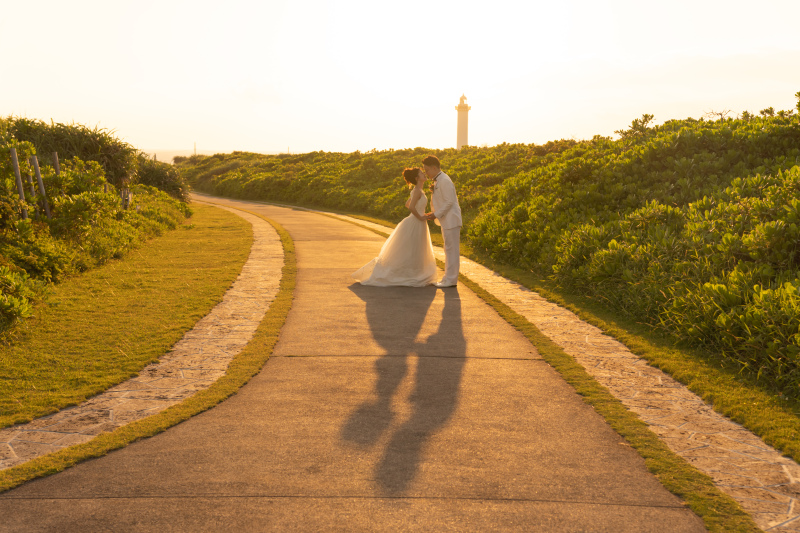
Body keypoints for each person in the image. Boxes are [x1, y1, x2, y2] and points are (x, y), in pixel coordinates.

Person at [351, 168, 437, 287]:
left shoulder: (418, 190)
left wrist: (422, 214)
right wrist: (420, 216)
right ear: (417, 178)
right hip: (416, 222)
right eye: (422, 173)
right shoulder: (417, 190)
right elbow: (411, 207)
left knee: (415, 249)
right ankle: (412, 274)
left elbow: (408, 204)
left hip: (416, 221)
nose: (424, 174)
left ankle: (413, 273)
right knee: (413, 249)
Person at [423, 155, 462, 287]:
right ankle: (447, 278)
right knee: (448, 249)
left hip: (451, 220)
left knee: (452, 250)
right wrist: (435, 213)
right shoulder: (438, 180)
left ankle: (451, 280)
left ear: (434, 167)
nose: (426, 173)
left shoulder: (444, 180)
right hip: (446, 220)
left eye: (427, 170)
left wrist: (436, 214)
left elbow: (449, 201)